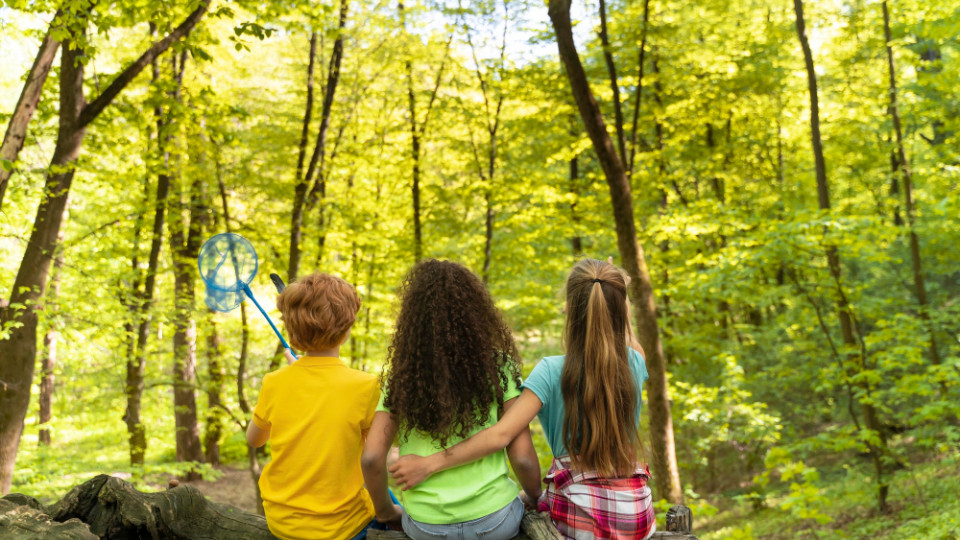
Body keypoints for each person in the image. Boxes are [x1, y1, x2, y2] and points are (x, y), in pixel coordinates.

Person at [389, 258, 656, 540]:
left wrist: (429, 464)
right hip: (636, 513)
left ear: (568, 309)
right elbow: (626, 333)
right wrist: (615, 294)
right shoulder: (636, 362)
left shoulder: (551, 371)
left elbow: (501, 434)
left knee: (528, 506)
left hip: (579, 515)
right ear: (620, 309)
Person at [361, 259, 542, 540]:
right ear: (476, 313)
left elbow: (372, 458)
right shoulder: (500, 367)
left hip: (425, 525)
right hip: (495, 520)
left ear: (413, 319)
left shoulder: (401, 377)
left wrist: (385, 512)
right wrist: (534, 495)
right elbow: (523, 459)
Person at [246, 273, 402, 540]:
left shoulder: (274, 382)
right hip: (341, 528)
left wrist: (301, 377)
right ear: (347, 328)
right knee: (395, 509)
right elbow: (379, 450)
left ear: (291, 332)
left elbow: (254, 439)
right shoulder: (366, 387)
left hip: (282, 523)